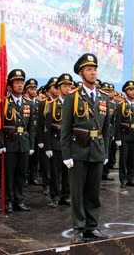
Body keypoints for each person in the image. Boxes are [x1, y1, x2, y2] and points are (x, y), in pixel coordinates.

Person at [61, 53, 110, 243]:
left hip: (96, 150)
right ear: (81, 73)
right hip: (78, 151)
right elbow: (65, 128)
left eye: (94, 69)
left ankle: (92, 226)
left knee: (93, 192)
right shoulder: (73, 97)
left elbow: (106, 129)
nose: (93, 72)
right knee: (77, 192)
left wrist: (105, 152)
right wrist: (66, 154)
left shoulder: (103, 97)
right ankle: (79, 228)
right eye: (89, 69)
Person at [0, 69, 36, 213]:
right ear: (10, 86)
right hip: (9, 143)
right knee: (8, 175)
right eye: (16, 82)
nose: (19, 85)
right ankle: (7, 201)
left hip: (23, 143)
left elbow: (31, 127)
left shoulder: (28, 104)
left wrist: (30, 144)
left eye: (21, 82)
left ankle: (19, 199)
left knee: (21, 174)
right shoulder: (4, 103)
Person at [45, 73, 73, 208]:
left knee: (68, 172)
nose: (67, 88)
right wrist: (48, 147)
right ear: (59, 88)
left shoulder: (74, 104)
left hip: (69, 144)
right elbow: (46, 128)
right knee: (55, 173)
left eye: (69, 86)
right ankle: (55, 196)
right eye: (64, 86)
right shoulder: (52, 105)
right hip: (56, 143)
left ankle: (65, 195)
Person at [114, 81, 134, 188]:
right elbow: (117, 123)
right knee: (124, 159)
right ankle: (123, 179)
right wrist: (118, 138)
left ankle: (132, 178)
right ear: (126, 92)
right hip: (125, 135)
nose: (133, 92)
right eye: (130, 90)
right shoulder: (121, 105)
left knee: (133, 158)